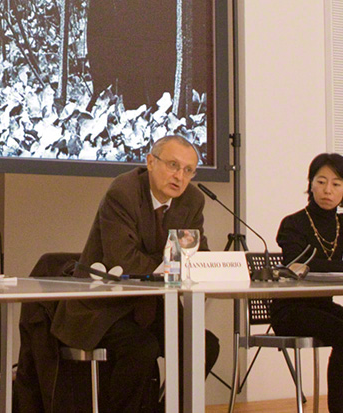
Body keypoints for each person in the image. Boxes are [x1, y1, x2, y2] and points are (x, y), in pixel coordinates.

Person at [50, 135, 219, 412]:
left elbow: (194, 256)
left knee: (204, 346)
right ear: (151, 162)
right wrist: (171, 261)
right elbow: (124, 260)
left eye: (188, 170)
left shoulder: (191, 200)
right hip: (103, 307)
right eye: (173, 165)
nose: (180, 176)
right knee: (141, 347)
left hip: (152, 306)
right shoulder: (124, 191)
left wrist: (206, 265)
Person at [271, 153, 343, 413]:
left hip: (323, 307)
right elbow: (295, 266)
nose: (327, 190)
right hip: (290, 309)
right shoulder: (293, 224)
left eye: (336, 184)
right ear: (310, 184)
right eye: (321, 181)